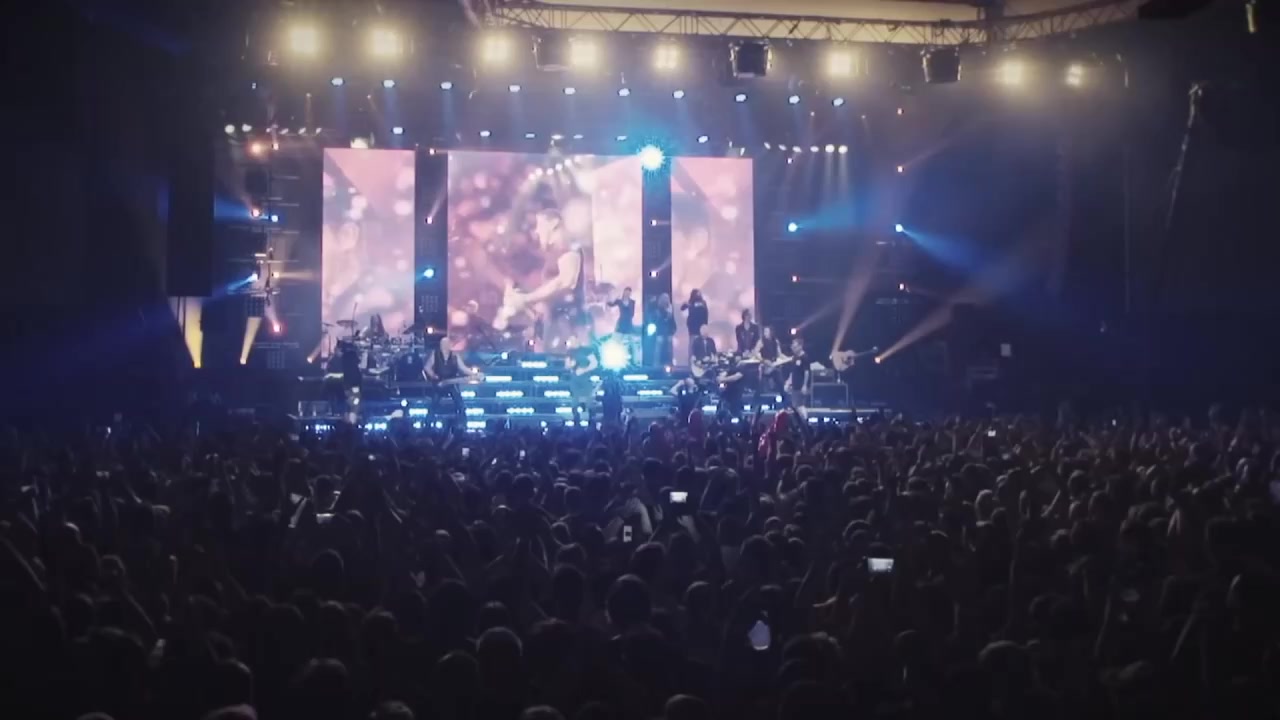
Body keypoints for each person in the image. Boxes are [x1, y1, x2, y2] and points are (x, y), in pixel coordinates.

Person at [496, 207, 586, 349]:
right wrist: (523, 301)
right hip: (556, 324)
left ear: (554, 223)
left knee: (562, 361)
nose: (537, 231)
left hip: (568, 325)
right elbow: (553, 292)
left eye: (540, 225)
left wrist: (527, 299)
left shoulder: (566, 245)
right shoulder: (554, 252)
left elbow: (566, 282)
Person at [423, 332, 476, 417]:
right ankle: (429, 420)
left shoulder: (455, 356)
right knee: (434, 403)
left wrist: (474, 374)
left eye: (446, 343)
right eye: (442, 343)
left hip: (452, 381)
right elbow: (427, 367)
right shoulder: (435, 354)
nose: (444, 345)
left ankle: (462, 417)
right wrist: (433, 375)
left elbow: (463, 368)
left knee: (459, 401)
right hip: (439, 381)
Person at [607, 287, 639, 367]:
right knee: (616, 342)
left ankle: (635, 361)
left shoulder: (632, 302)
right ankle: (613, 360)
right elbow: (610, 304)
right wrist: (615, 298)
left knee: (632, 343)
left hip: (628, 324)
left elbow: (632, 314)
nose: (627, 294)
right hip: (621, 323)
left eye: (629, 292)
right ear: (624, 292)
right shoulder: (619, 301)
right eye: (626, 292)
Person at [567, 343, 598, 424]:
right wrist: (571, 365)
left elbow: (594, 363)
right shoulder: (571, 352)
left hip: (585, 380)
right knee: (575, 401)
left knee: (589, 401)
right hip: (575, 381)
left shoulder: (586, 351)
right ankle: (576, 422)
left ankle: (591, 421)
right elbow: (567, 366)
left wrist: (584, 370)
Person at [782, 336, 811, 418]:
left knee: (800, 405)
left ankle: (805, 420)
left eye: (795, 346)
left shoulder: (804, 357)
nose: (793, 348)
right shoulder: (795, 357)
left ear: (800, 346)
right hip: (795, 385)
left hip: (800, 385)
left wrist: (805, 385)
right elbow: (793, 371)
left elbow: (807, 372)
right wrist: (788, 382)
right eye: (793, 346)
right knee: (795, 405)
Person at [651, 293, 677, 366]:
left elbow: (672, 319)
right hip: (661, 331)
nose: (667, 300)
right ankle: (656, 364)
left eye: (667, 298)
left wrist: (674, 328)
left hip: (669, 331)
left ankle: (669, 363)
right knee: (658, 349)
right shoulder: (659, 309)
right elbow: (658, 319)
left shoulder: (670, 308)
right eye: (665, 298)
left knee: (669, 349)